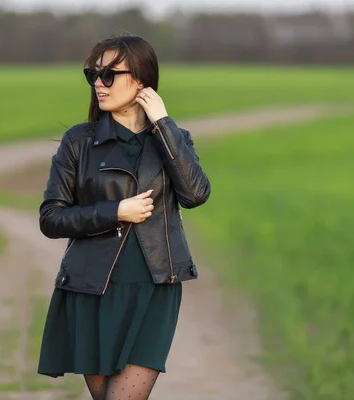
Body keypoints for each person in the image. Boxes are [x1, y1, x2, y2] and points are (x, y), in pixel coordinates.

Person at [36, 34, 211, 400]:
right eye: (94, 75)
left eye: (110, 75)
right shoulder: (79, 142)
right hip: (91, 290)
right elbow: (51, 218)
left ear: (141, 78)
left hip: (154, 289)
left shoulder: (173, 138)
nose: (99, 84)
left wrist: (163, 122)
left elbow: (195, 194)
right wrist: (114, 212)